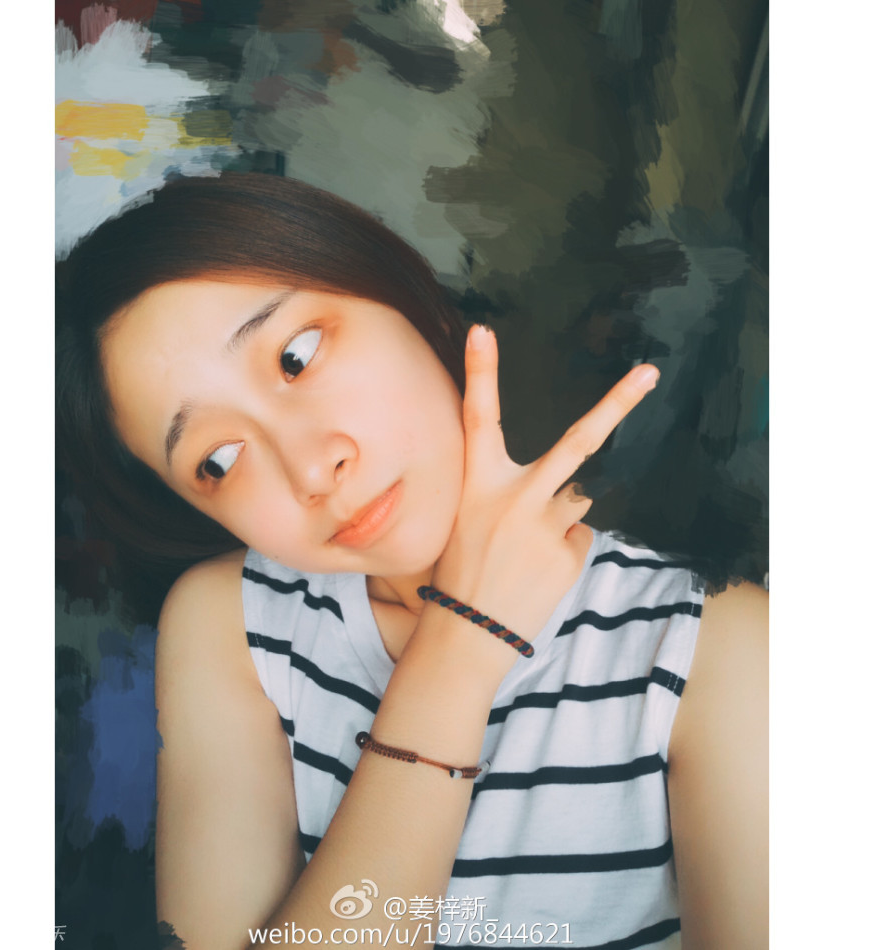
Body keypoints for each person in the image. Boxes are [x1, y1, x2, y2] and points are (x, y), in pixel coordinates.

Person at [56, 173, 767, 950]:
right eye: (217, 461)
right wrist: (462, 645)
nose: (311, 467)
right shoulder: (234, 623)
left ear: (400, 298)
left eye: (296, 356)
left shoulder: (714, 642)